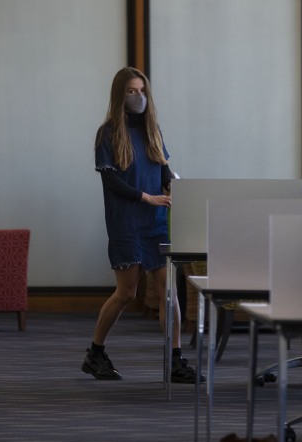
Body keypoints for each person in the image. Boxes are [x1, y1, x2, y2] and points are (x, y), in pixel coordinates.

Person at [80, 67, 202, 384]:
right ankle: (95, 353)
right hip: (126, 222)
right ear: (120, 96)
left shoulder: (153, 132)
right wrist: (145, 197)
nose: (138, 97)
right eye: (131, 92)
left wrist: (179, 188)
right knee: (126, 292)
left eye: (142, 91)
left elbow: (165, 174)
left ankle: (175, 360)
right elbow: (111, 182)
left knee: (168, 293)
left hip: (156, 223)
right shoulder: (107, 134)